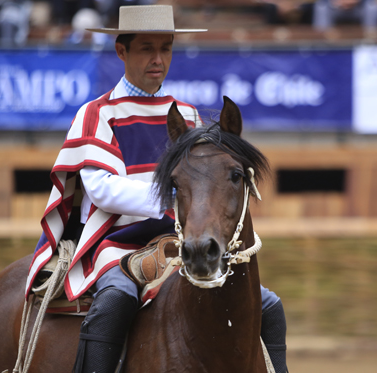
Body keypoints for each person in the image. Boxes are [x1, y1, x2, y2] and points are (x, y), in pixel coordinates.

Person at [24, 5, 289, 373]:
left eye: (165, 48)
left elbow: (210, 187)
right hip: (116, 247)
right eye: (146, 48)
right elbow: (101, 189)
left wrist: (194, 199)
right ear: (122, 51)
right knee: (116, 301)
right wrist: (178, 192)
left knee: (270, 305)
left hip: (181, 243)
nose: (158, 58)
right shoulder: (97, 114)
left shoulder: (189, 116)